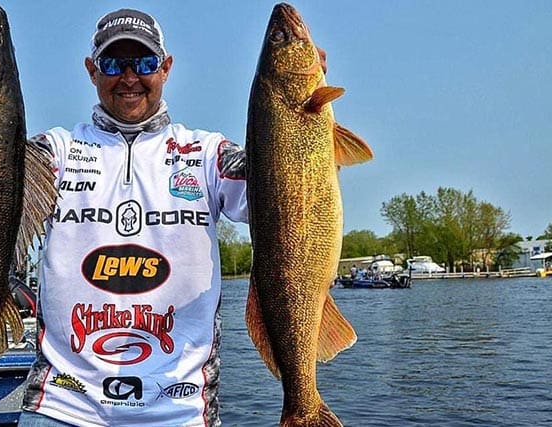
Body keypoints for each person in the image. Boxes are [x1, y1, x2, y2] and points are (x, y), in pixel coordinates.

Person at [18, 8, 327, 427]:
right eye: (113, 63)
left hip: (180, 412)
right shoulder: (55, 152)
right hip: (62, 408)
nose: (129, 77)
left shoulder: (207, 154)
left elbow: (286, 196)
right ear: (92, 70)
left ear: (165, 68)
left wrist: (300, 119)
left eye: (144, 62)